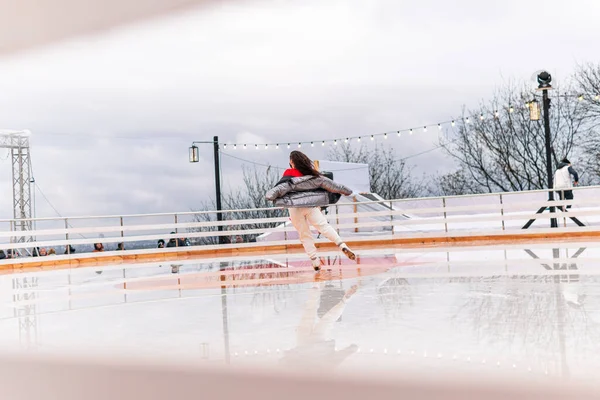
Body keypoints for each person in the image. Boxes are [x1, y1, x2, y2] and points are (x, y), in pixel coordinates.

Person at [265, 151, 356, 271]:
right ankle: (342, 245)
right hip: (310, 205)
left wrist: (273, 198)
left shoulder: (289, 174)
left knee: (304, 235)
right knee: (324, 226)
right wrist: (347, 191)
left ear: (292, 162)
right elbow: (333, 185)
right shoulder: (313, 176)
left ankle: (315, 261)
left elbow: (279, 190)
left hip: (294, 208)